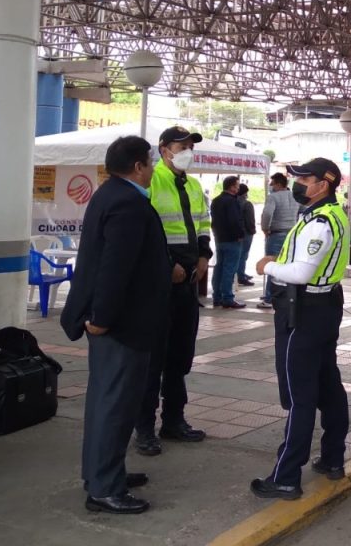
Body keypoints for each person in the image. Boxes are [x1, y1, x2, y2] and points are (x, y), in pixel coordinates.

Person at [61, 136, 170, 514]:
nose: (153, 168)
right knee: (114, 405)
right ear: (138, 166)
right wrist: (102, 319)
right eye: (151, 162)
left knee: (109, 402)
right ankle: (105, 488)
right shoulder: (127, 203)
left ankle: (104, 473)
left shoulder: (110, 195)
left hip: (119, 323)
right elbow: (114, 267)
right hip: (120, 326)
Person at [252, 158, 350, 499]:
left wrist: (269, 266)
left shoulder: (319, 222)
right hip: (325, 307)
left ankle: (286, 476)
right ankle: (333, 458)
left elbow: (301, 273)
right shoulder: (332, 213)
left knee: (300, 396)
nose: (299, 183)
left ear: (323, 184)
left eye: (305, 178)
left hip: (306, 311)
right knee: (328, 384)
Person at [134, 126, 211, 457]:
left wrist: (205, 256)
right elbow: (146, 232)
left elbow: (203, 223)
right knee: (154, 357)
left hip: (189, 278)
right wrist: (168, 266)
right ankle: (144, 429)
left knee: (180, 355)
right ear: (164, 150)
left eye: (191, 146)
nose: (187, 151)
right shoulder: (153, 181)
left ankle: (174, 420)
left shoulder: (193, 185)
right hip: (161, 280)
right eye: (181, 146)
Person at [258, 172, 301, 309]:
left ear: (278, 184)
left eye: (272, 183)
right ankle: (287, 294)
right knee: (288, 263)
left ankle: (270, 298)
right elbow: (304, 210)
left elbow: (267, 213)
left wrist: (265, 228)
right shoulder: (295, 197)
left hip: (276, 234)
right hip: (292, 234)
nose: (270, 186)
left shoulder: (273, 197)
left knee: (272, 265)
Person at [210, 176, 248, 310]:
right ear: (231, 187)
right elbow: (234, 220)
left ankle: (217, 297)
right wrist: (239, 234)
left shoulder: (215, 201)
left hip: (219, 238)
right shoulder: (232, 201)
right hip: (232, 240)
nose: (238, 188)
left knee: (219, 267)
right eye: (237, 185)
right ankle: (227, 298)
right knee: (229, 269)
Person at [236, 184, 256, 287]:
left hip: (235, 232)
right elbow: (250, 220)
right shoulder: (247, 204)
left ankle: (240, 274)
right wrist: (253, 230)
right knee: (243, 255)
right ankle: (241, 276)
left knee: (238, 255)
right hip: (246, 233)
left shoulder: (233, 202)